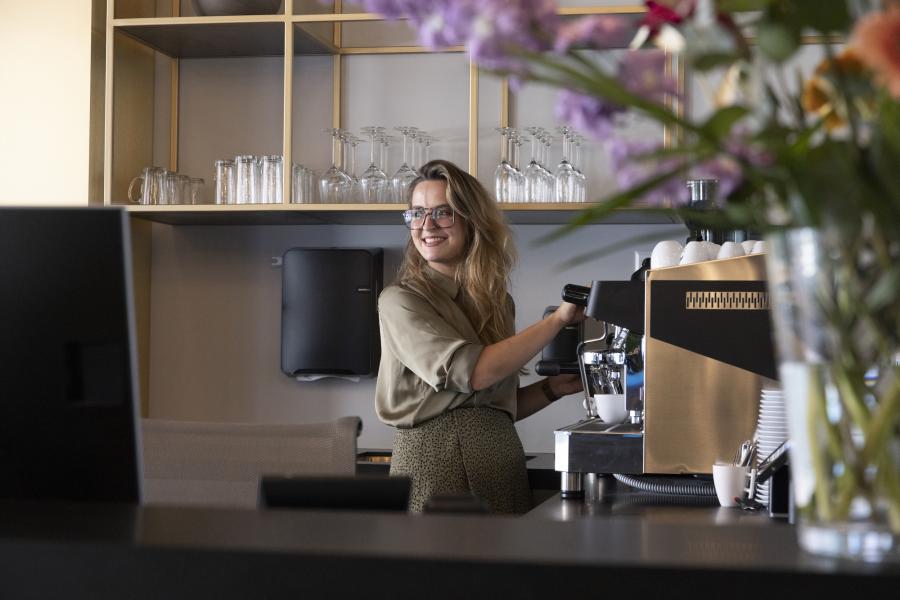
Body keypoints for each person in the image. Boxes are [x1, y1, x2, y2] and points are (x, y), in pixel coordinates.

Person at [375, 159, 584, 514]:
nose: (426, 225)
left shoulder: (498, 303)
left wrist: (553, 389)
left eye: (442, 212)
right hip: (436, 464)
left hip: (501, 462)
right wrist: (558, 320)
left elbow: (495, 406)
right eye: (417, 213)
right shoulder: (401, 300)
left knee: (505, 553)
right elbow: (473, 374)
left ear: (471, 220)